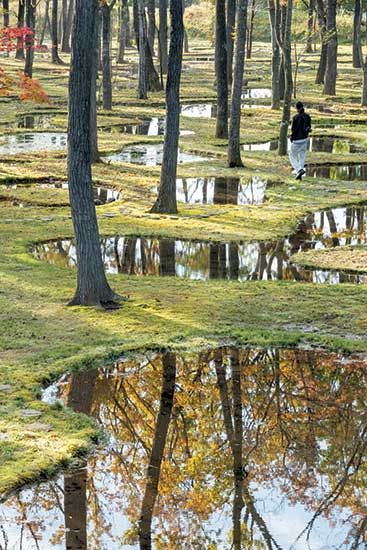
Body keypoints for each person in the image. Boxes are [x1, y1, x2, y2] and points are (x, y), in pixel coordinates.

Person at [289, 101, 312, 180]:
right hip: (304, 140)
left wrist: (291, 137)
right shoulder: (308, 116)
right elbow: (309, 127)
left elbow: (293, 130)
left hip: (296, 140)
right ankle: (300, 175)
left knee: (292, 156)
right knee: (302, 156)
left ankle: (299, 170)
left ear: (297, 108)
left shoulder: (295, 117)